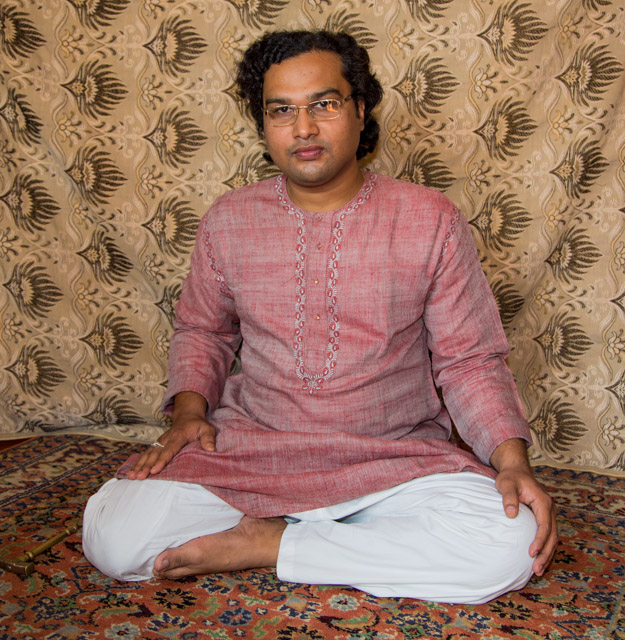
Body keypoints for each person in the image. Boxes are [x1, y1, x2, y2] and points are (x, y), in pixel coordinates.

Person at [82, 29, 558, 605]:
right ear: (263, 124)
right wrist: (189, 413)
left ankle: (270, 543)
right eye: (281, 110)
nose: (303, 128)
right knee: (111, 537)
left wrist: (512, 462)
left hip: (391, 459)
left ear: (360, 110)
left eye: (324, 104)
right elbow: (204, 330)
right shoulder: (229, 219)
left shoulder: (429, 219)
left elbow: (470, 359)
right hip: (253, 452)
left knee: (511, 543)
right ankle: (337, 542)